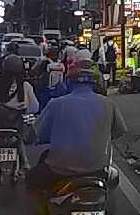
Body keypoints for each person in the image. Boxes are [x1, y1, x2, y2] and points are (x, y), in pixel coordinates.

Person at [28, 55, 126, 210]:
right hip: (98, 170)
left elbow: (39, 134)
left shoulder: (56, 104)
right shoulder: (108, 104)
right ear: (95, 82)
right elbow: (119, 131)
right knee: (112, 185)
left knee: (31, 179)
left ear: (69, 81)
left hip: (60, 170)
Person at [0, 55, 39, 174]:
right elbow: (34, 107)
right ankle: (25, 163)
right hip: (16, 127)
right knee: (20, 138)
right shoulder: (25, 86)